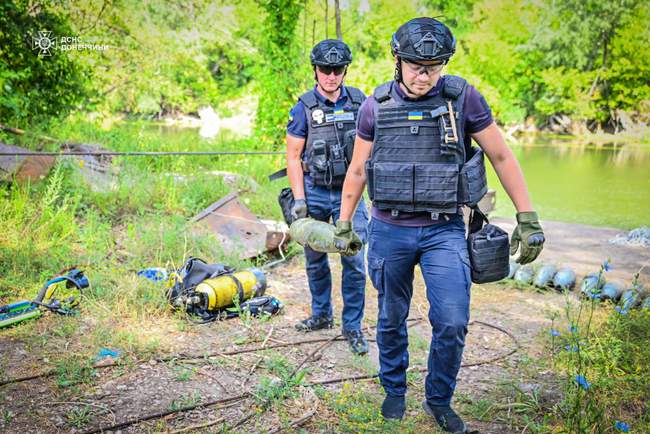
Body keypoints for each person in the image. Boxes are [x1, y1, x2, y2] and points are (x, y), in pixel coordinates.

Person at [332, 18, 545, 433]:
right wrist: (343, 224)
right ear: (397, 60)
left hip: (443, 229)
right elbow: (358, 170)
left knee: (451, 319)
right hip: (389, 229)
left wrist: (527, 217)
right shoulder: (375, 106)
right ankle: (394, 389)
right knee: (392, 316)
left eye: (434, 66)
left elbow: (501, 156)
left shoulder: (463, 100)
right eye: (415, 65)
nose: (423, 74)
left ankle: (439, 399)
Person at [285, 39, 370, 355]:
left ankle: (353, 327)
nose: (331, 76)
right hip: (316, 192)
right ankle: (321, 315)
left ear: (345, 70)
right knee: (315, 258)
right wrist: (299, 200)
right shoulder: (303, 107)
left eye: (337, 70)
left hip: (351, 194)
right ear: (316, 70)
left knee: (354, 260)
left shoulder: (361, 103)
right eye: (325, 69)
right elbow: (293, 156)